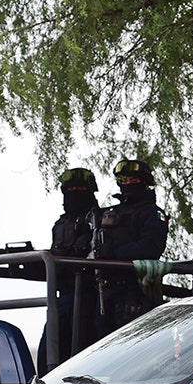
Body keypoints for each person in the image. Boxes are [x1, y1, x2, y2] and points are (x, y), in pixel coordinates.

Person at [89, 158, 169, 337]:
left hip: (133, 290)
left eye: (133, 180)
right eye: (123, 181)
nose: (127, 184)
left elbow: (152, 247)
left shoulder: (153, 213)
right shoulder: (108, 213)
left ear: (144, 182)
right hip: (104, 290)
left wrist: (115, 253)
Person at [38, 167, 100, 371]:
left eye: (79, 188)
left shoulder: (97, 221)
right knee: (49, 347)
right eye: (70, 188)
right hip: (65, 293)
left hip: (90, 294)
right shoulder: (61, 224)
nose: (74, 192)